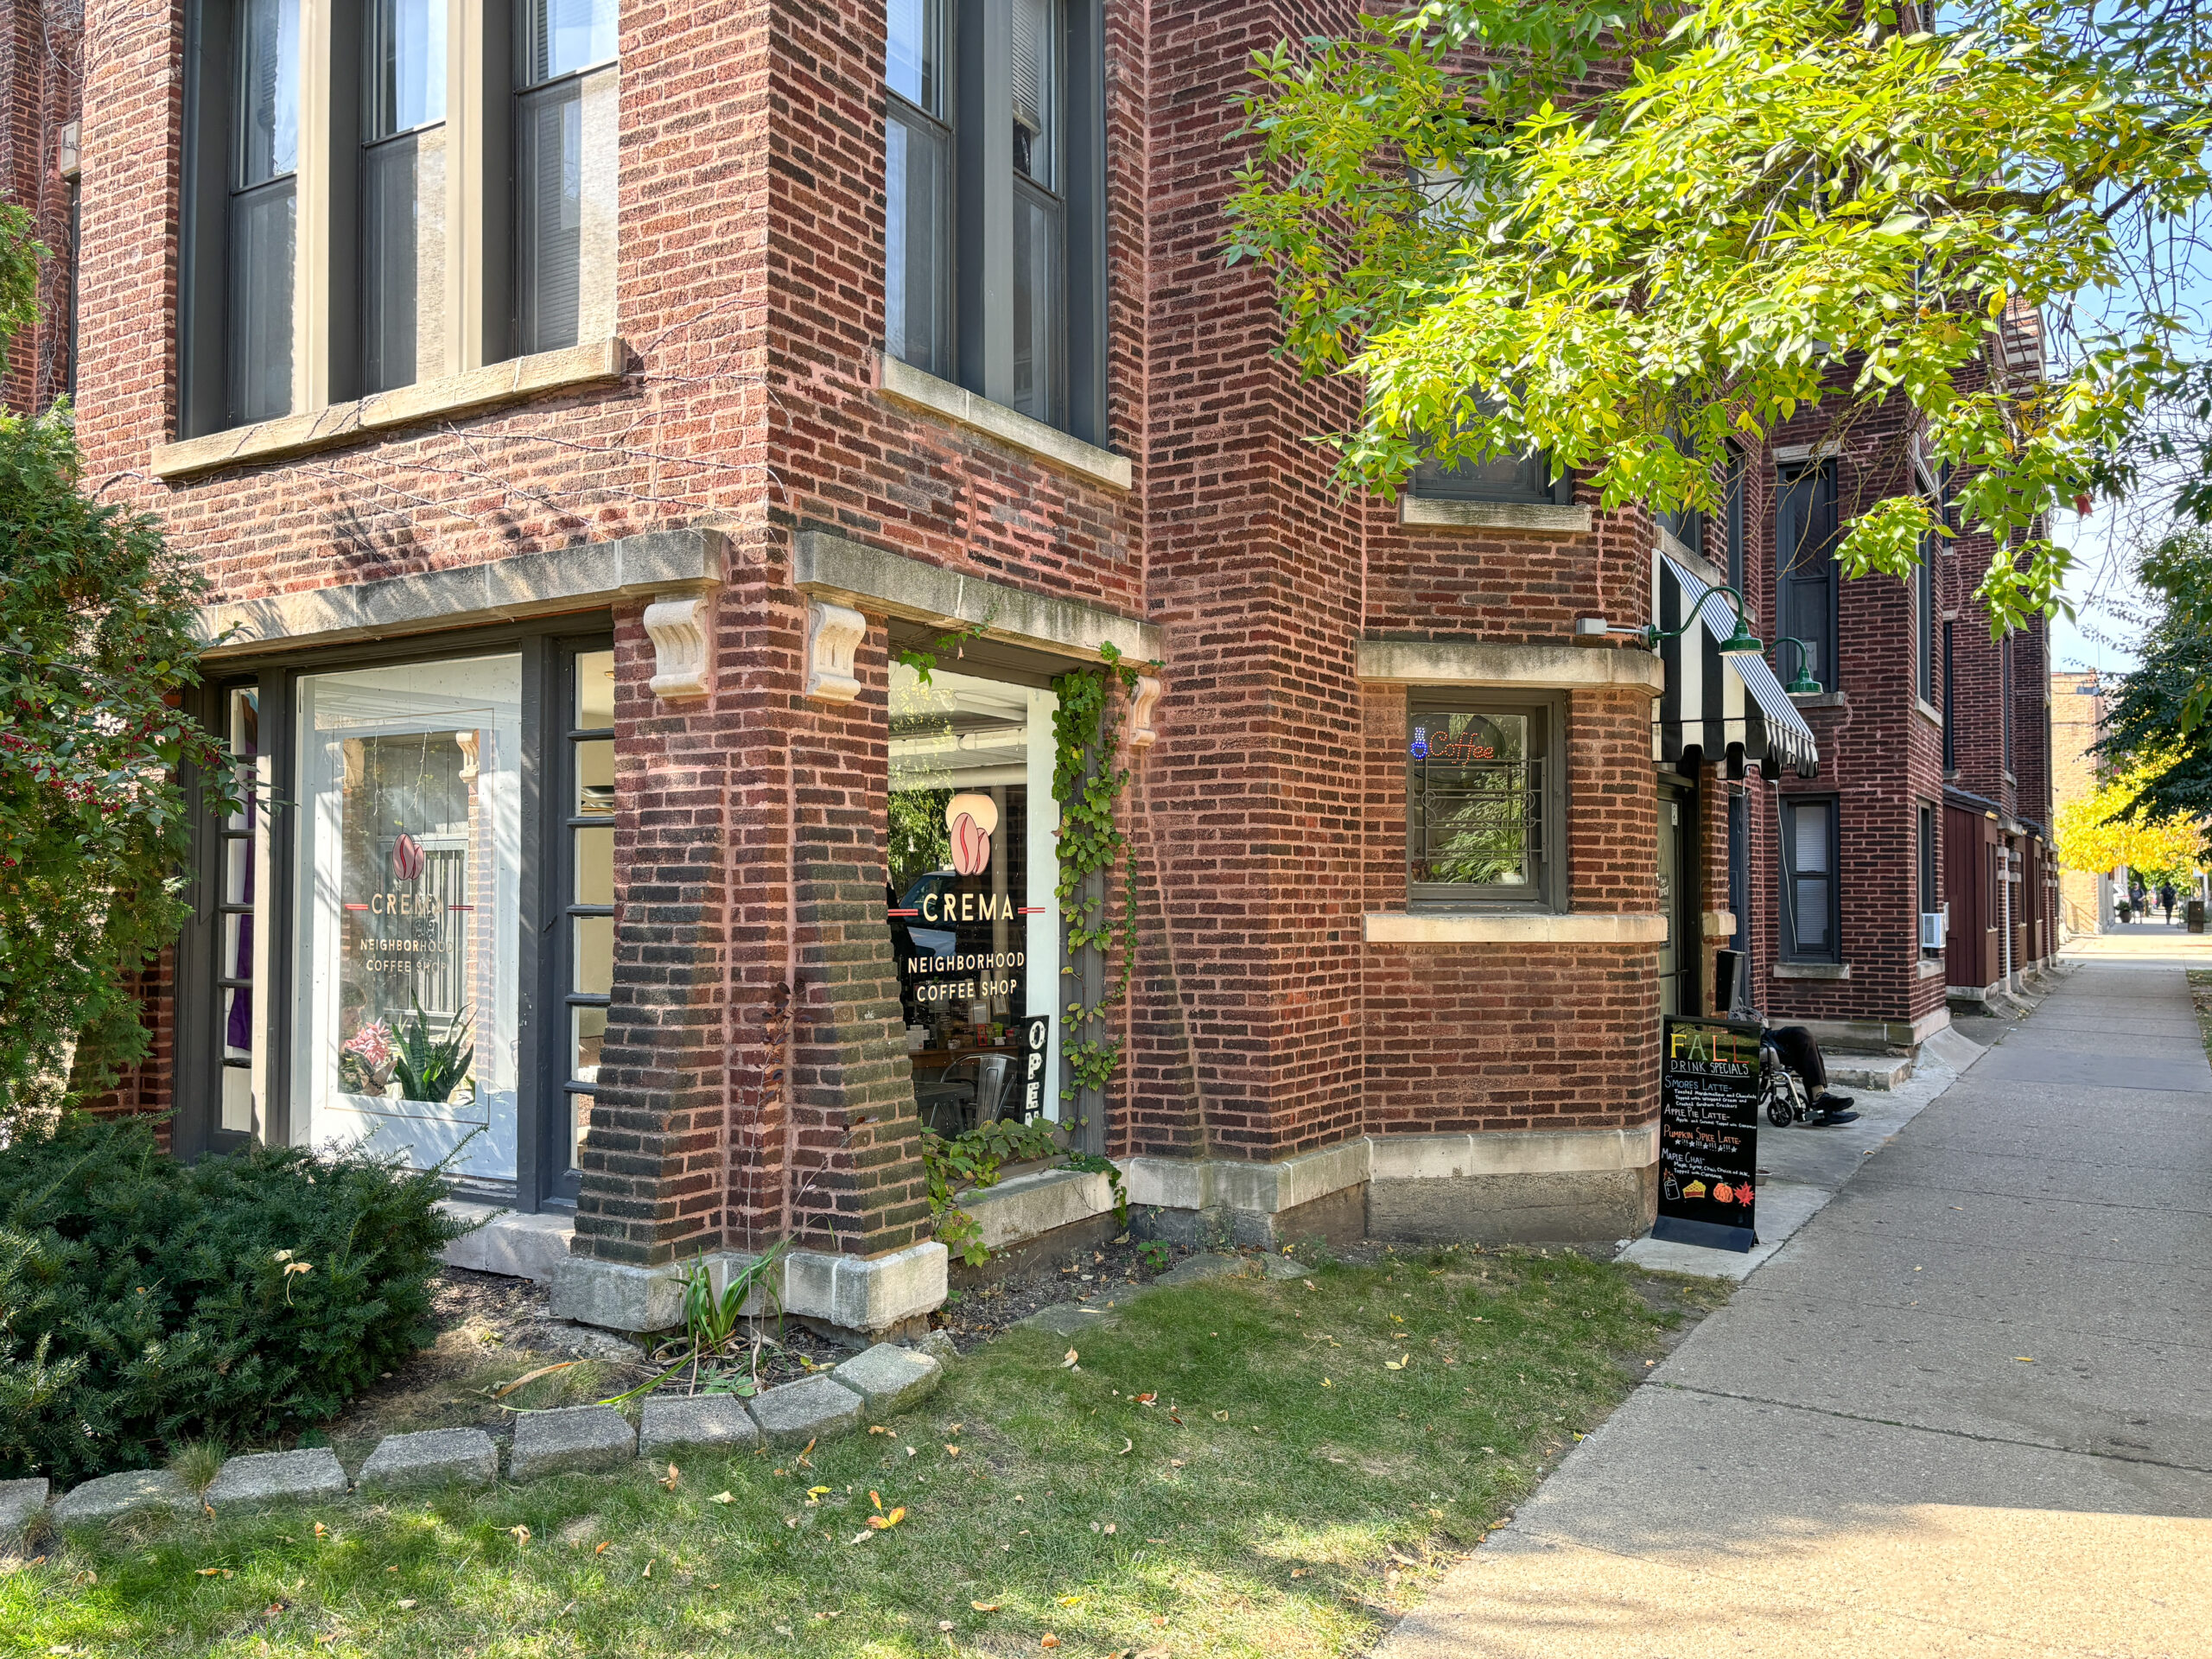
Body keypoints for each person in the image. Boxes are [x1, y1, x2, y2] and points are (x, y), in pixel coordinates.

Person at [1765, 1024, 1859, 1125]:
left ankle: (1820, 1097)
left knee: (1802, 1033)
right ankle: (1822, 1106)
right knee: (1801, 1054)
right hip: (1758, 1037)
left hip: (1767, 1032)